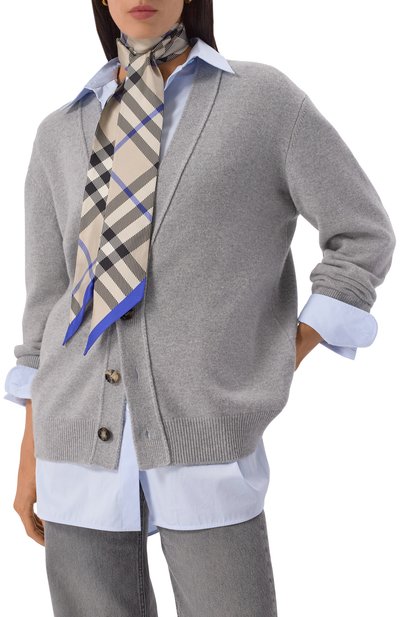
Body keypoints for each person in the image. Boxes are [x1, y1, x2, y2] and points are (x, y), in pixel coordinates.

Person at [4, 1, 396, 616]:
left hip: (206, 441)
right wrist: (31, 453)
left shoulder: (261, 102)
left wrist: (282, 352)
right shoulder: (61, 130)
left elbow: (363, 234)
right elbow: (48, 302)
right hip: (73, 445)